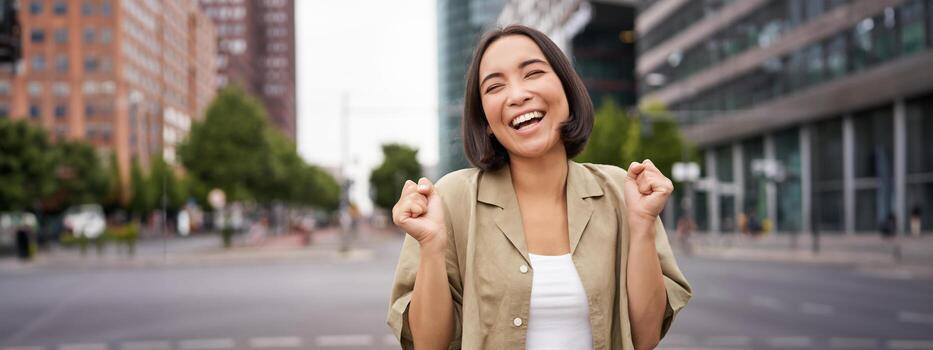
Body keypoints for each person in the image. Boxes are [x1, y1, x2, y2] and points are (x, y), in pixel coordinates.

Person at [387, 25, 691, 349]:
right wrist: (432, 246)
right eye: (495, 86)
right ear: (486, 122)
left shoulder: (621, 192)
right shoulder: (450, 199)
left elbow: (645, 338)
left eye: (533, 73)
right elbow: (428, 345)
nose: (517, 95)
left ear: (566, 89)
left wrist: (642, 226)